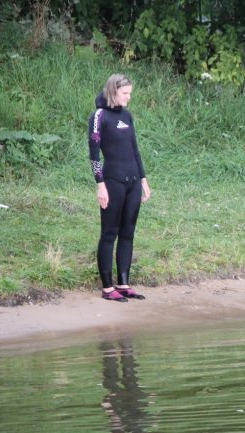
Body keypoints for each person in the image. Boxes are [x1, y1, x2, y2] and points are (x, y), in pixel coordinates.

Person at [88, 74, 151, 302]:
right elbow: (94, 155)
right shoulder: (99, 116)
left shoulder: (127, 116)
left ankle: (123, 284)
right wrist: (100, 186)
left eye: (130, 93)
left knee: (128, 232)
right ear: (113, 91)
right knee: (109, 233)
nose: (129, 97)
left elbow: (134, 149)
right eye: (125, 93)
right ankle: (107, 288)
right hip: (112, 182)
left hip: (132, 181)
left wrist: (143, 180)